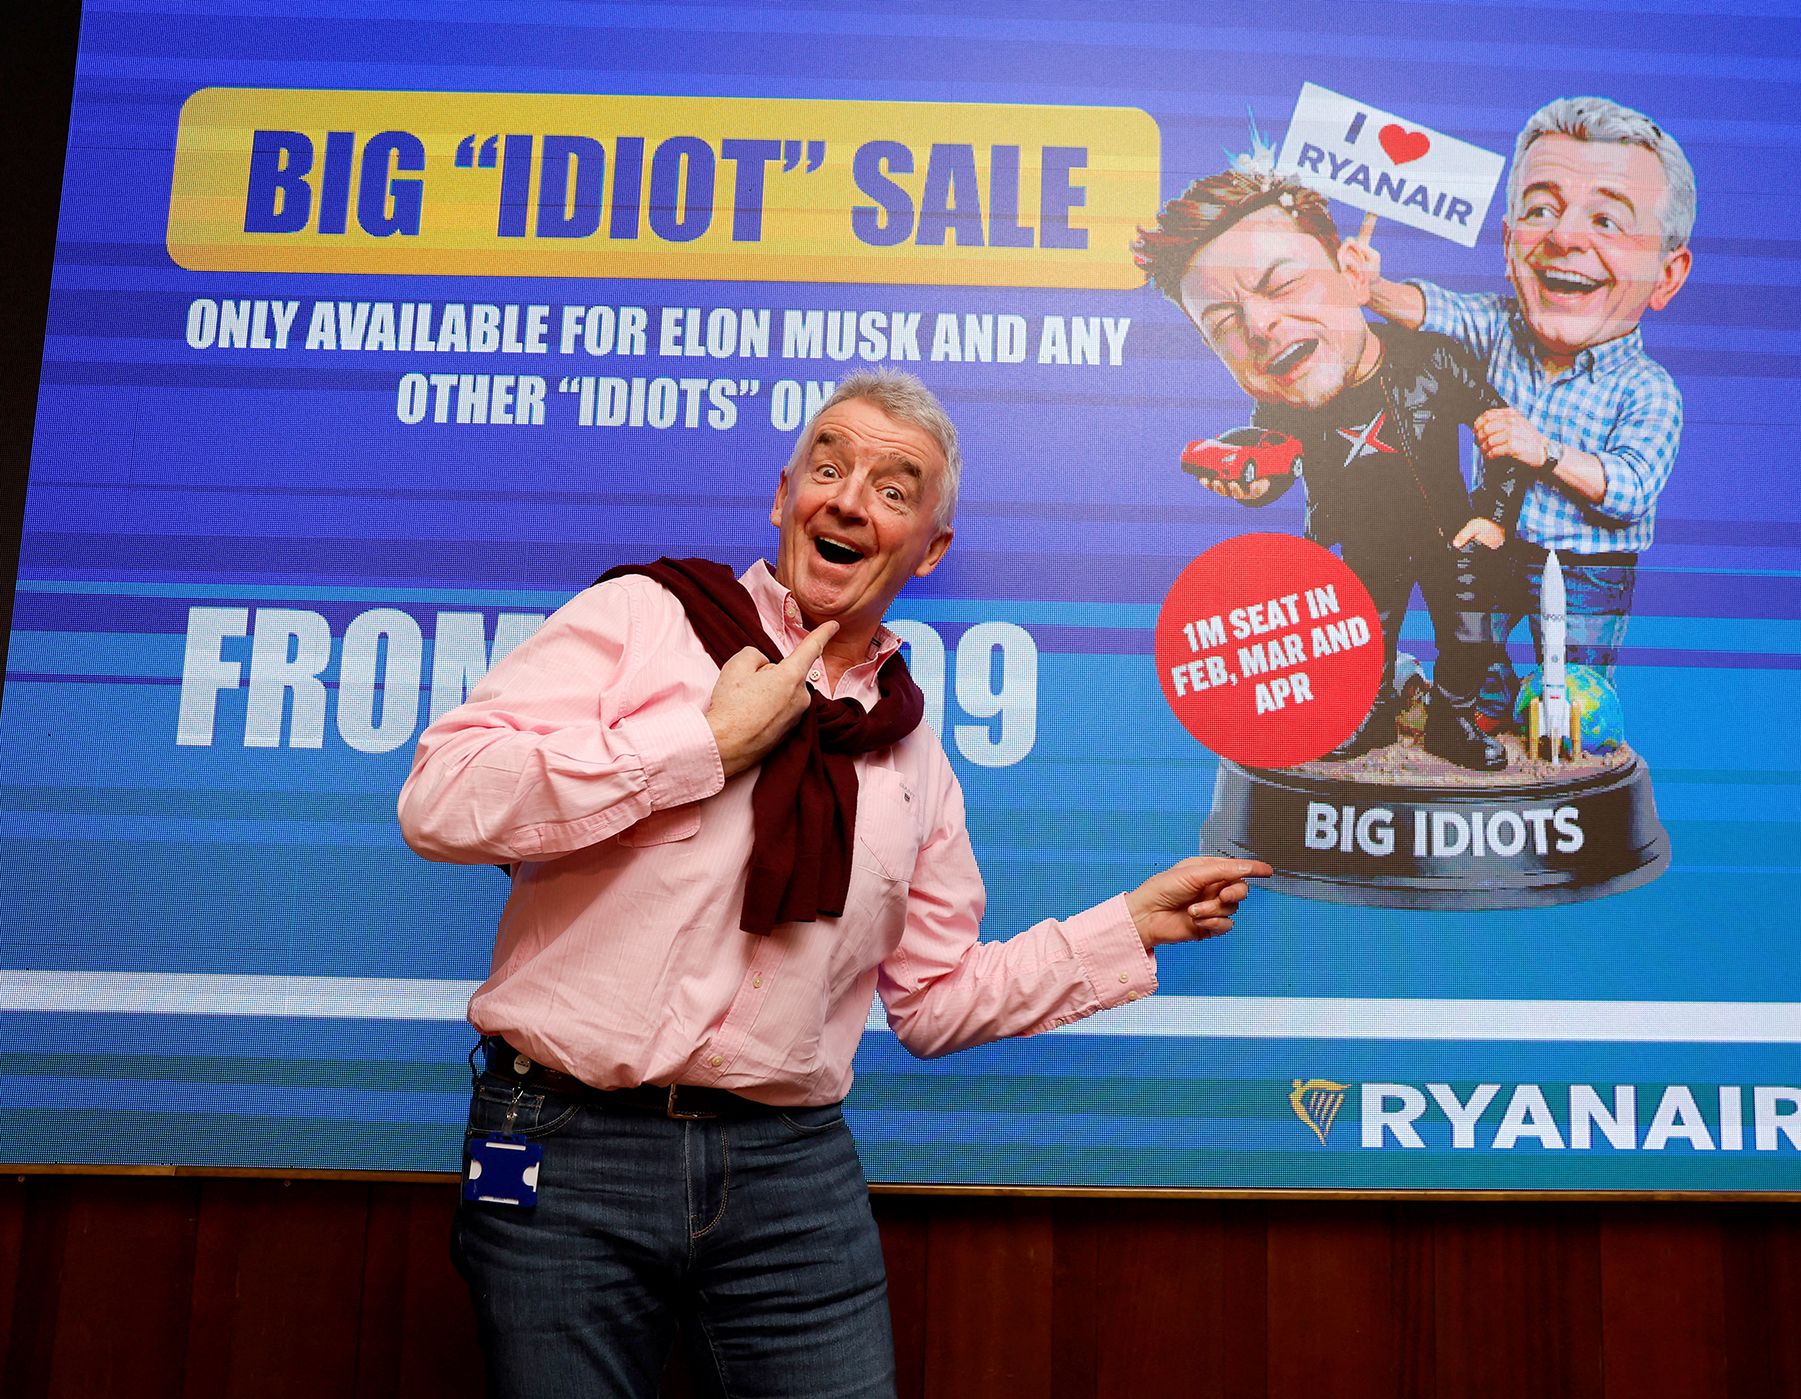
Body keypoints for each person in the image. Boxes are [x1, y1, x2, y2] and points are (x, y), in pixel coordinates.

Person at [398, 367, 1267, 1398]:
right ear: (783, 498)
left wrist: (1128, 925)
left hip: (788, 1168)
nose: (851, 498)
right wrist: (702, 743)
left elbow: (936, 1002)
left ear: (929, 549)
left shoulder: (908, 758)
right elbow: (440, 799)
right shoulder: (643, 619)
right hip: (565, 1145)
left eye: (895, 489)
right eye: (828, 466)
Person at [1132, 167, 1527, 770]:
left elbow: (1505, 434)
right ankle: (1366, 722)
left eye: (1283, 283)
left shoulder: (1435, 360)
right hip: (1366, 547)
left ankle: (1454, 723)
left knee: (1469, 638)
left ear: (1349, 270)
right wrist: (1257, 484)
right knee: (1363, 648)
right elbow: (1281, 465)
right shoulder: (1278, 405)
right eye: (1225, 325)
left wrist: (1493, 519)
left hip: (1452, 537)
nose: (1261, 326)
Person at [1348, 95, 1695, 722]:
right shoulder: (1499, 327)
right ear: (1510, 246)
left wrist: (1546, 452)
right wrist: (1369, 287)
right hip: (1501, 544)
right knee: (1471, 643)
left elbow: (1631, 489)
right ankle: (1482, 716)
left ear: (1667, 276)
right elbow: (1435, 311)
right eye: (1541, 211)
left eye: (1607, 221)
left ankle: (1563, 765)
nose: (1563, 238)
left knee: (1581, 700)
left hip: (1591, 572)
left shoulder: (1650, 390)